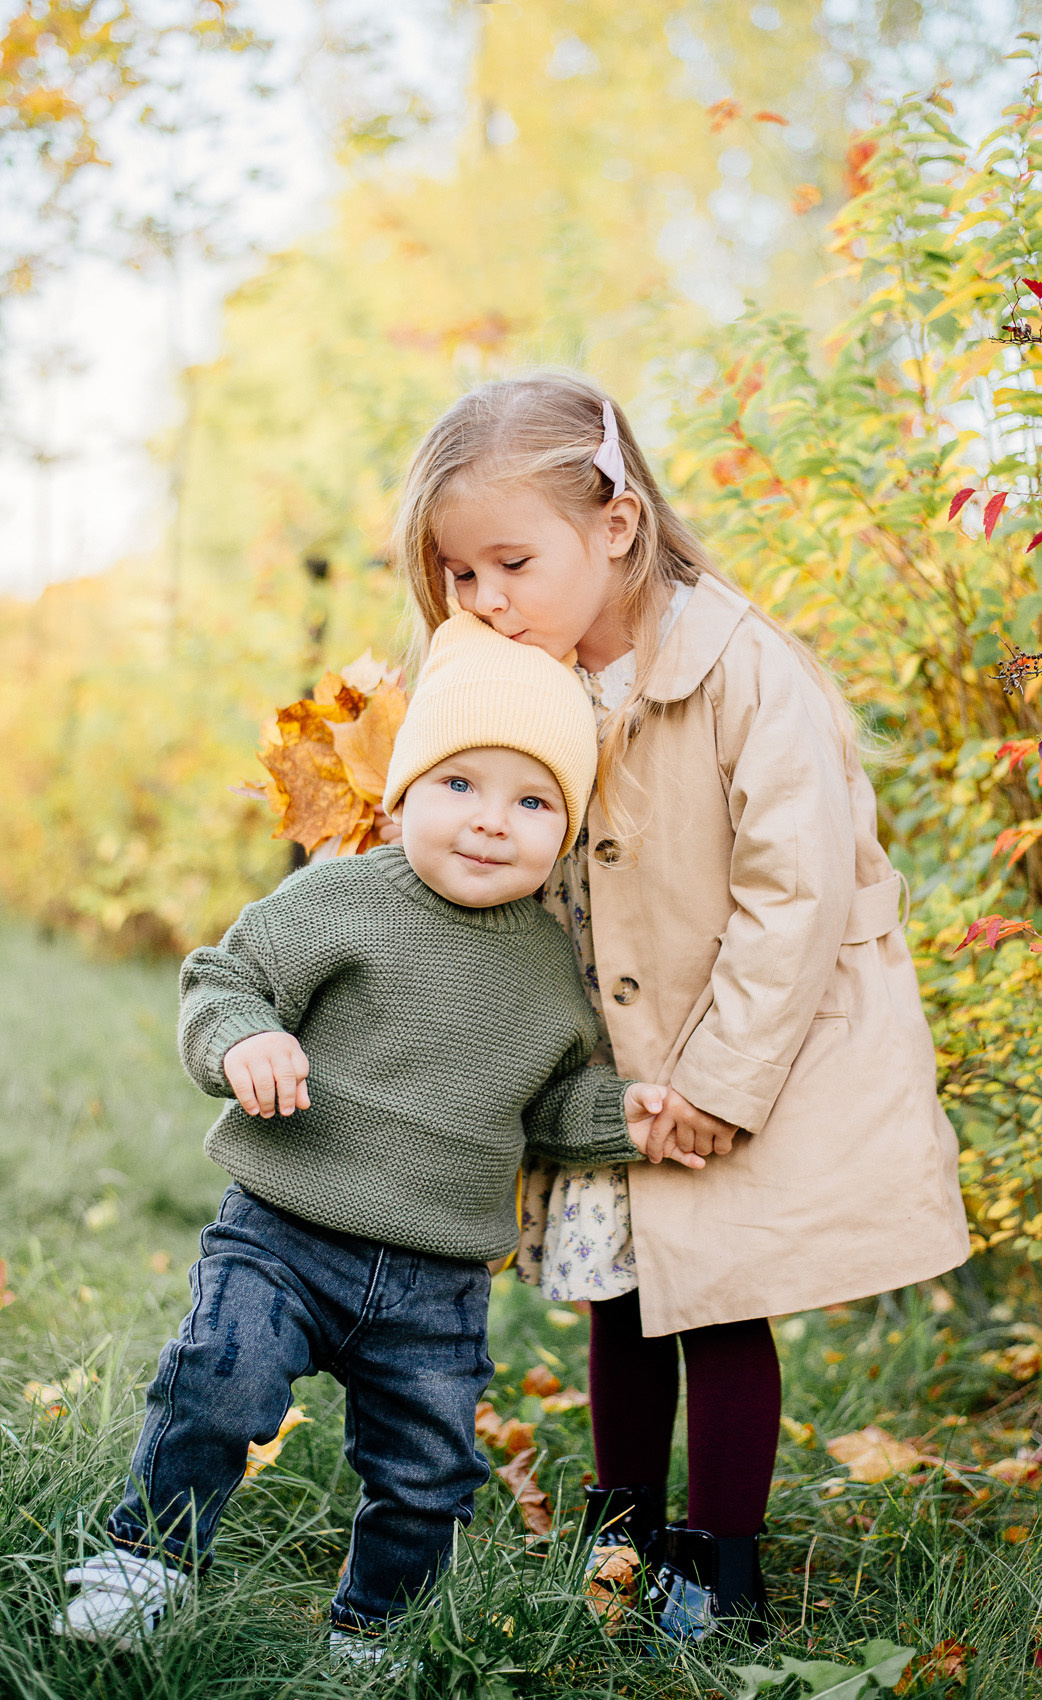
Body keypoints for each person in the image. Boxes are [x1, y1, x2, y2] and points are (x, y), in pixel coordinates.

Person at [390, 372, 971, 1641]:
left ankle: (722, 1560)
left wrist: (721, 1080)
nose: (484, 599)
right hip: (618, 1054)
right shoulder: (518, 670)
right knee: (617, 1288)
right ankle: (622, 1523)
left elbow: (798, 888)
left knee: (718, 1293)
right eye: (460, 573)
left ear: (616, 526)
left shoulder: (739, 670)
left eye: (509, 563)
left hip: (740, 1050)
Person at [52, 612, 702, 1663]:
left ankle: (375, 1628)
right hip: (286, 1228)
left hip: (438, 1275)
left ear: (566, 832)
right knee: (218, 1379)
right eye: (460, 785)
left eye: (532, 801)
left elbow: (543, 1107)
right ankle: (146, 1561)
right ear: (401, 794)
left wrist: (617, 1117)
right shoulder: (341, 898)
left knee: (429, 1469)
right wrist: (248, 1038)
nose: (492, 822)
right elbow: (224, 978)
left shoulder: (549, 966)